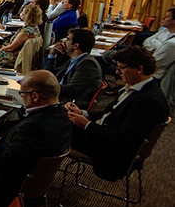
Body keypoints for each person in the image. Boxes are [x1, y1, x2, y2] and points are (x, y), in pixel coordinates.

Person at [0, 70, 72, 207]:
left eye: (22, 93)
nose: (21, 97)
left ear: (35, 96)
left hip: (4, 192)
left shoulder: (33, 128)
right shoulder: (61, 115)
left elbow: (5, 163)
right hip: (31, 186)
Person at [65, 46, 168, 180]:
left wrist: (86, 125)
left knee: (53, 128)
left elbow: (123, 138)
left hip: (111, 152)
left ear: (139, 69)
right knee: (59, 118)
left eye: (121, 68)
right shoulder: (138, 89)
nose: (117, 72)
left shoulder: (148, 101)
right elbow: (109, 114)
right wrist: (83, 113)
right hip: (104, 135)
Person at [44, 28, 102, 108]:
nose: (63, 42)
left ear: (75, 46)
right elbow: (50, 75)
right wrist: (52, 54)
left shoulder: (88, 64)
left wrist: (46, 87)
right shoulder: (75, 60)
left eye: (67, 39)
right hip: (59, 98)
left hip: (69, 104)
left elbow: (72, 90)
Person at [0, 3, 42, 69]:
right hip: (15, 53)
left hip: (11, 57)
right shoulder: (35, 29)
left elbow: (10, 48)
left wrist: (1, 48)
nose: (21, 13)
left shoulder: (25, 32)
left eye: (23, 11)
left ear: (27, 15)